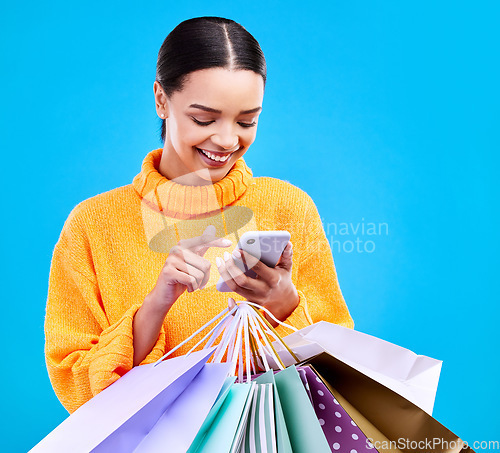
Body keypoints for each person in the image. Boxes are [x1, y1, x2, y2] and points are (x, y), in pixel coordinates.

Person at [44, 16, 354, 414]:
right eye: (204, 119)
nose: (227, 140)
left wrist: (285, 305)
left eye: (247, 121)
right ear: (161, 100)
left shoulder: (288, 206)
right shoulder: (93, 224)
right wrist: (155, 307)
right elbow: (75, 385)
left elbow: (340, 376)